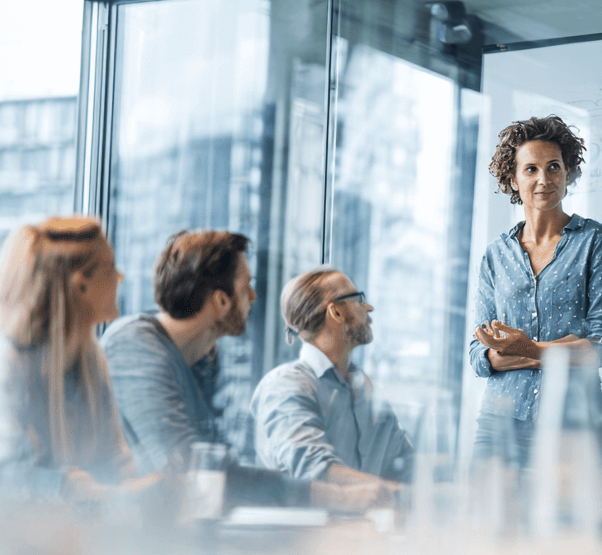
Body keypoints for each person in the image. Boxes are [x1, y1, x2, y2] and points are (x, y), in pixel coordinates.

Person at [101, 230, 388, 510]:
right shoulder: (133, 346)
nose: (252, 296)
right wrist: (334, 497)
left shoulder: (202, 360)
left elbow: (216, 467)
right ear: (221, 301)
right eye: (245, 286)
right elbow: (191, 469)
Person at [469, 115, 602, 468]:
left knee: (570, 523)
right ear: (513, 178)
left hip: (574, 426)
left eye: (554, 167)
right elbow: (480, 355)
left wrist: (526, 349)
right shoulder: (496, 254)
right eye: (531, 169)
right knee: (485, 519)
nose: (544, 179)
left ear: (568, 173)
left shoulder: (596, 243)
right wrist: (563, 350)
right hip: (499, 423)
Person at [0, 216, 134, 500]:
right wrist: (73, 487)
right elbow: (8, 478)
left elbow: (115, 459)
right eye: (109, 269)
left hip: (79, 533)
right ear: (80, 286)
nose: (119, 277)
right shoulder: (9, 363)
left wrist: (138, 490)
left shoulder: (90, 358)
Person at [250, 268, 413, 485]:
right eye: (359, 300)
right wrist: (391, 494)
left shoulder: (367, 389)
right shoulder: (285, 386)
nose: (369, 308)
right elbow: (315, 473)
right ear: (336, 312)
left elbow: (407, 465)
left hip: (367, 519)